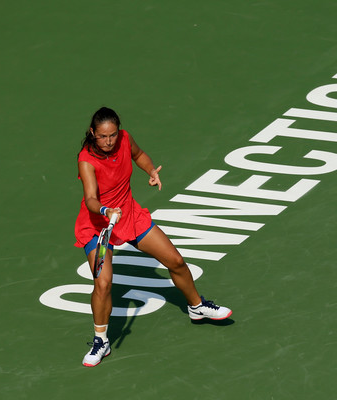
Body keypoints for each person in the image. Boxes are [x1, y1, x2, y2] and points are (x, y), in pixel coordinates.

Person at [74, 107, 232, 367]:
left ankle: (196, 306)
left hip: (130, 216)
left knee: (176, 261)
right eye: (102, 136)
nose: (109, 141)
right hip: (98, 225)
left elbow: (138, 155)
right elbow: (90, 198)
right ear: (93, 133)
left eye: (112, 135)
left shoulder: (125, 139)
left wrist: (150, 170)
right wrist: (105, 210)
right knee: (103, 284)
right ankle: (101, 340)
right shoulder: (86, 159)